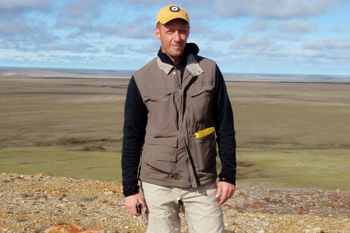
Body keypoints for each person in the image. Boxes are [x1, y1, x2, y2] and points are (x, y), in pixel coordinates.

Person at [122, 4, 236, 233]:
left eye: (182, 30)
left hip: (202, 180)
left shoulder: (210, 70)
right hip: (157, 181)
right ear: (158, 33)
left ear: (189, 31)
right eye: (170, 30)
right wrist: (130, 189)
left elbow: (225, 125)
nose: (177, 37)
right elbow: (132, 136)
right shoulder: (142, 78)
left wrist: (228, 175)